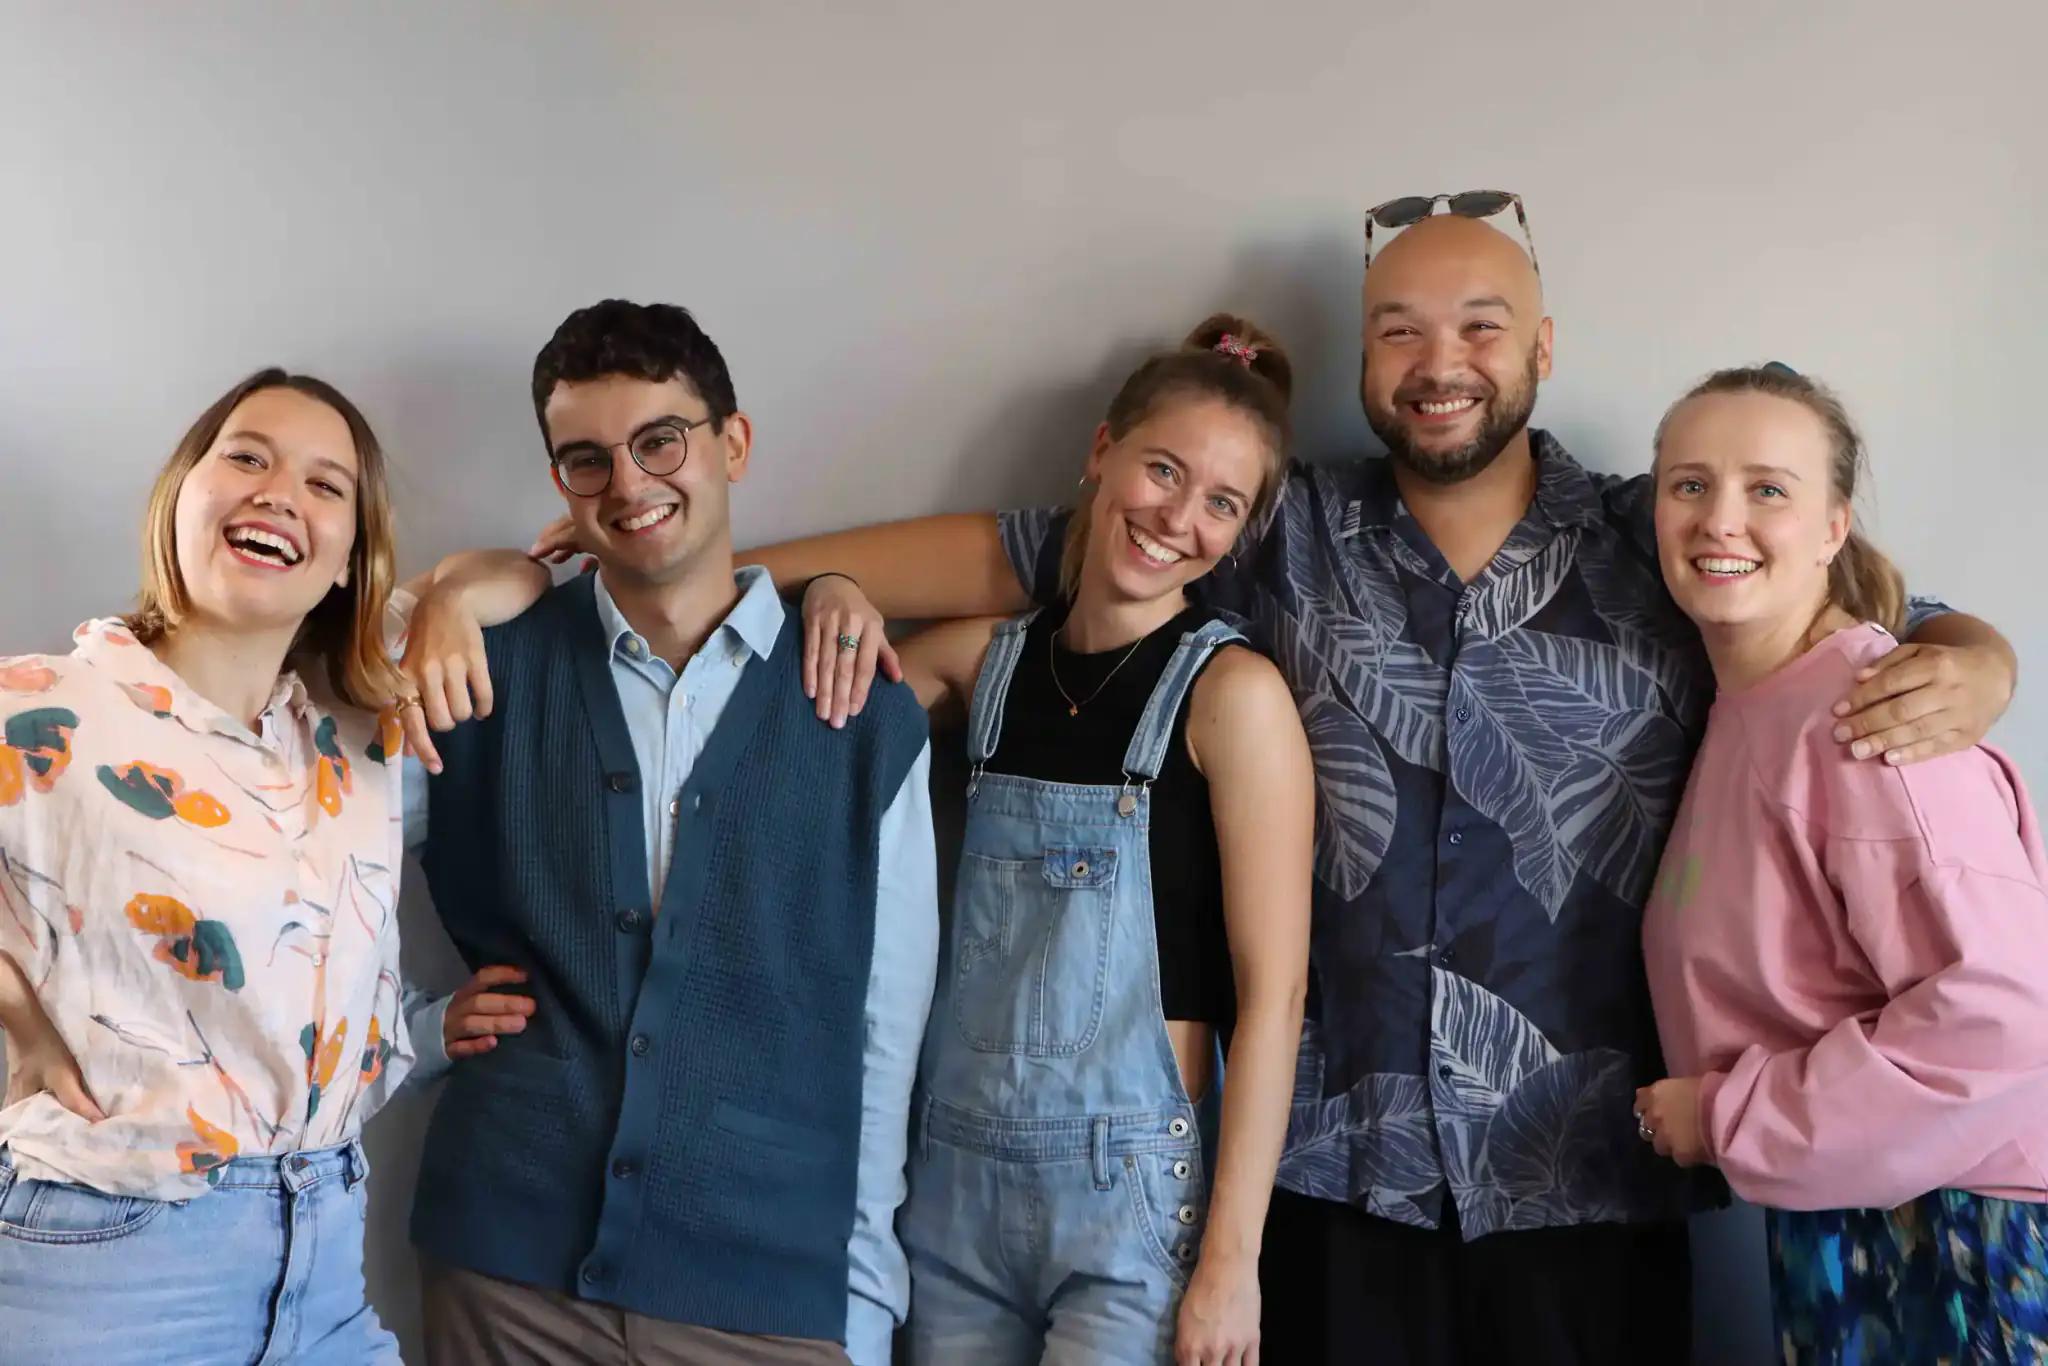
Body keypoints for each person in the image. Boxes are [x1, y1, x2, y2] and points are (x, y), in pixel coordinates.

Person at [726, 203, 2022, 1364]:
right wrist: (725, 573)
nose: (1439, 360)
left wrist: (1983, 660)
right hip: (1337, 1183)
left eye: (1479, 324)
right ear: (1362, 354)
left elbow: (1867, 629)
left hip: (1590, 1183)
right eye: (1399, 329)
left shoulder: (1664, 532)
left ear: (1543, 347)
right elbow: (1021, 556)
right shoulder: (1279, 528)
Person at [396, 298, 938, 1366]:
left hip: (767, 1293)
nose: (630, 485)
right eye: (585, 459)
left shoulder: (859, 710)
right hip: (506, 1271)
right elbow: (311, 873)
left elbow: (883, 1027)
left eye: (660, 441)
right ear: (560, 481)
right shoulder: (483, 670)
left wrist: (862, 1296)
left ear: (731, 443)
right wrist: (407, 1036)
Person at [0, 368, 516, 1363]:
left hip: (327, 1261)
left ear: (344, 563)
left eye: (328, 485)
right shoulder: (41, 709)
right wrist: (15, 1013)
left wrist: (448, 595)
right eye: (246, 456)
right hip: (105, 1263)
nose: (279, 491)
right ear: (179, 496)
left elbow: (536, 570)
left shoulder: (363, 725)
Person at [851, 315, 1311, 1365]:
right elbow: (823, 721)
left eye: (1220, 503)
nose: (1177, 518)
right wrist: (838, 591)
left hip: (1129, 1197)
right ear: (1100, 453)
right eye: (1162, 469)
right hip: (952, 1186)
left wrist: (1231, 1262)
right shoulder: (983, 666)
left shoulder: (1229, 695)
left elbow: (1274, 994)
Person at [1633, 364, 2048, 1364]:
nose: (1717, 520)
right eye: (1687, 485)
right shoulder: (1751, 704)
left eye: (1766, 488)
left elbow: (1999, 1020)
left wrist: (1723, 1116)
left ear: (1831, 528)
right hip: (1857, 1214)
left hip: (1960, 1234)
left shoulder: (1874, 723)